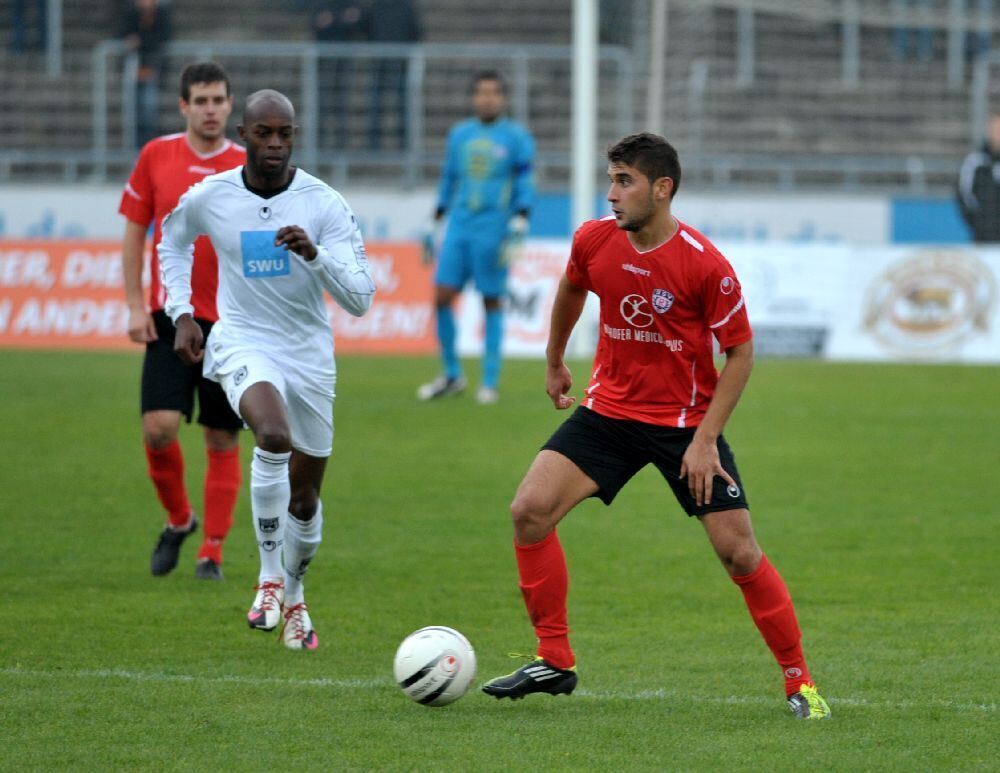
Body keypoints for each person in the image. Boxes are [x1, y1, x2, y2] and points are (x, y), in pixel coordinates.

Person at [481, 133, 831, 720]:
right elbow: (572, 285)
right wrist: (554, 357)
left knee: (739, 554)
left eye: (625, 181)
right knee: (528, 510)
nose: (611, 194)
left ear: (661, 189)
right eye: (611, 179)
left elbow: (741, 354)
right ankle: (555, 659)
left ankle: (801, 684)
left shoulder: (705, 264)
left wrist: (704, 442)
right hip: (608, 414)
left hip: (683, 426)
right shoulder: (595, 239)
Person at [158, 89, 376, 650]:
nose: (275, 144)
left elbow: (360, 300)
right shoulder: (213, 196)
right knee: (271, 436)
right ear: (245, 134)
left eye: (285, 134)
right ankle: (268, 578)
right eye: (264, 133)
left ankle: (297, 595)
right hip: (243, 341)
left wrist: (315, 255)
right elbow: (173, 241)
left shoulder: (323, 204)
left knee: (305, 502)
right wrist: (182, 313)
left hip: (308, 355)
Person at [119, 62, 246, 581]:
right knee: (158, 428)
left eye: (219, 99)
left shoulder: (248, 163)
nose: (211, 109)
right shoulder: (156, 155)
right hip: (172, 316)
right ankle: (180, 520)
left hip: (233, 323)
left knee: (221, 437)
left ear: (230, 105)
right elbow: (134, 233)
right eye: (201, 100)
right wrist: (133, 303)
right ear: (184, 106)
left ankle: (211, 549)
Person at [418, 71, 535, 405]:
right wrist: (434, 219)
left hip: (494, 228)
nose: (488, 99)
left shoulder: (516, 138)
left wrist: (521, 219)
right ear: (474, 98)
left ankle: (490, 381)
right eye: (482, 93)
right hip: (459, 226)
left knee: (491, 299)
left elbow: (526, 180)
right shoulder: (460, 135)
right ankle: (452, 375)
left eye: (494, 93)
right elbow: (449, 178)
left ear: (503, 98)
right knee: (441, 296)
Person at [311, 0, 369, 149]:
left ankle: (340, 144)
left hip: (344, 59)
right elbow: (316, 23)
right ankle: (321, 143)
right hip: (325, 59)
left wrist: (335, 20)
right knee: (323, 103)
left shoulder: (352, 4)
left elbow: (361, 24)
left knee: (342, 102)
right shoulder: (322, 5)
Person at [367, 0, 420, 150]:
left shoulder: (403, 6)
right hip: (385, 63)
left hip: (396, 63)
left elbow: (415, 32)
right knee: (380, 105)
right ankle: (378, 144)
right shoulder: (379, 6)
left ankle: (391, 144)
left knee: (398, 105)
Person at [120, 0, 173, 147]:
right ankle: (136, 143)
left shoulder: (160, 14)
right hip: (134, 68)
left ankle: (147, 142)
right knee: (134, 108)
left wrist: (140, 41)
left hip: (152, 68)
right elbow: (123, 34)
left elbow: (163, 37)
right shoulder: (131, 13)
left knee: (148, 107)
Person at [958, 110, 1000, 243]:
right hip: (984, 240)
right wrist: (981, 224)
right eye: (995, 128)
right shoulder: (976, 161)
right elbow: (964, 196)